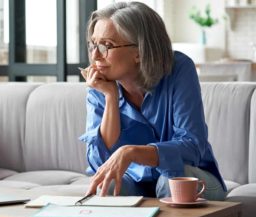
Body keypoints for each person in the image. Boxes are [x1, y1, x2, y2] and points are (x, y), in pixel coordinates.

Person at [79, 1, 227, 200]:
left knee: (171, 179)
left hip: (192, 178)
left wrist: (131, 152)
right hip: (136, 182)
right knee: (108, 185)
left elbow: (192, 147)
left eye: (106, 45)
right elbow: (100, 163)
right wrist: (111, 98)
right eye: (93, 44)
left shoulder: (179, 69)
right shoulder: (100, 84)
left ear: (139, 52)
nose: (95, 55)